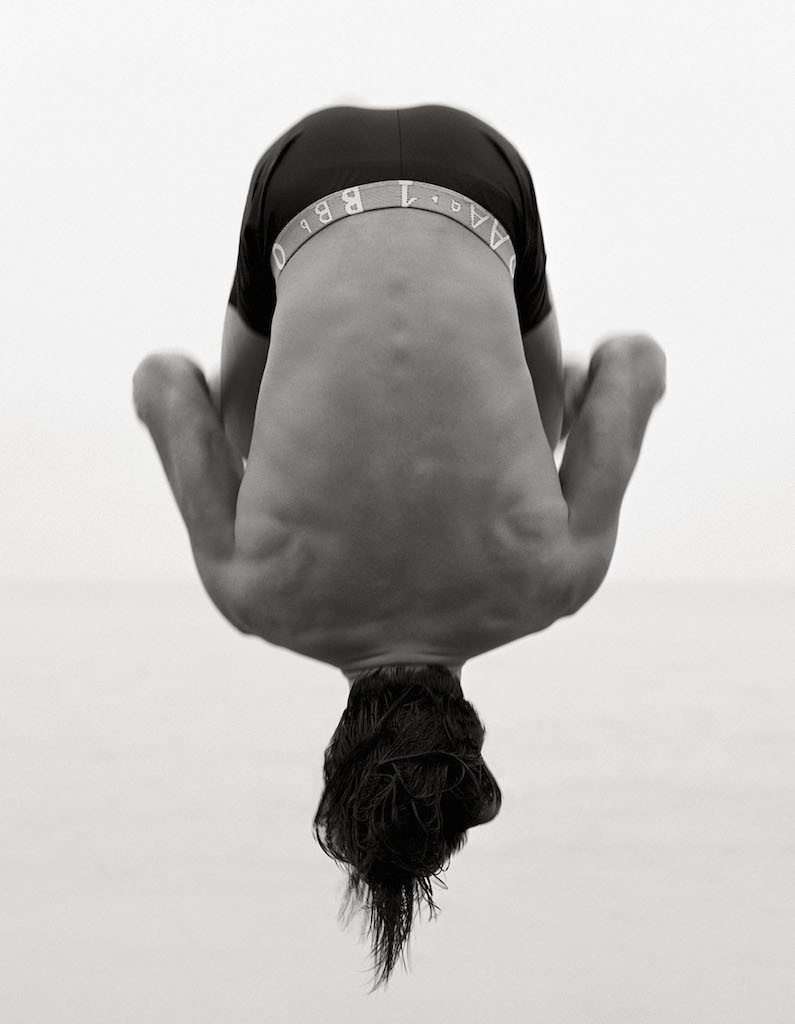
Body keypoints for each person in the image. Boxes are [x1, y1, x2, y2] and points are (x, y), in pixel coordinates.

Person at [133, 104, 666, 991]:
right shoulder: (253, 595)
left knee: (543, 425)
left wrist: (553, 419)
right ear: (337, 748)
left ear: (474, 734)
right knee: (238, 440)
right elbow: (161, 379)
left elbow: (637, 359)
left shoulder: (553, 582)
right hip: (300, 179)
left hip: (480, 175)